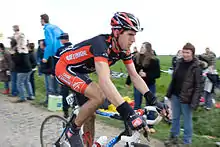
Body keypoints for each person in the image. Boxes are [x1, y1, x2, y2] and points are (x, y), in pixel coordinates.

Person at [55, 12, 168, 146]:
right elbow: (104, 81)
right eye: (130, 34)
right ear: (117, 32)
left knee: (90, 114)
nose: (134, 40)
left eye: (135, 35)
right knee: (99, 96)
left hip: (80, 72)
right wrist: (129, 113)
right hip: (64, 68)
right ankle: (72, 131)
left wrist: (153, 99)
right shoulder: (101, 44)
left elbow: (134, 76)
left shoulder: (123, 50)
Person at [164, 43, 203, 147]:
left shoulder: (196, 67)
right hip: (176, 95)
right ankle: (173, 138)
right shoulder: (179, 62)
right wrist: (169, 94)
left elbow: (199, 86)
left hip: (188, 98)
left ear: (192, 53)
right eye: (184, 52)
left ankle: (186, 142)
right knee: (175, 118)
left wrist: (195, 102)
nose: (185, 54)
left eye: (188, 52)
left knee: (187, 121)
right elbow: (174, 80)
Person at [133, 42, 161, 133]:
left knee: (150, 105)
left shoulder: (154, 60)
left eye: (143, 47)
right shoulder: (136, 58)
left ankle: (150, 124)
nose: (141, 48)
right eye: (141, 47)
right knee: (137, 103)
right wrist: (128, 82)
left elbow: (157, 74)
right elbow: (132, 72)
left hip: (149, 85)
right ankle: (136, 122)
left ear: (147, 49)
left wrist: (146, 74)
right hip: (138, 84)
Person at [40, 13, 63, 95]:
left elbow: (50, 43)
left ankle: (51, 99)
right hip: (62, 53)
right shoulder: (56, 27)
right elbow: (63, 36)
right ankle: (58, 98)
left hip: (54, 54)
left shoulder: (47, 29)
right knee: (57, 76)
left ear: (43, 20)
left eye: (40, 20)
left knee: (51, 76)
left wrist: (45, 57)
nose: (40, 22)